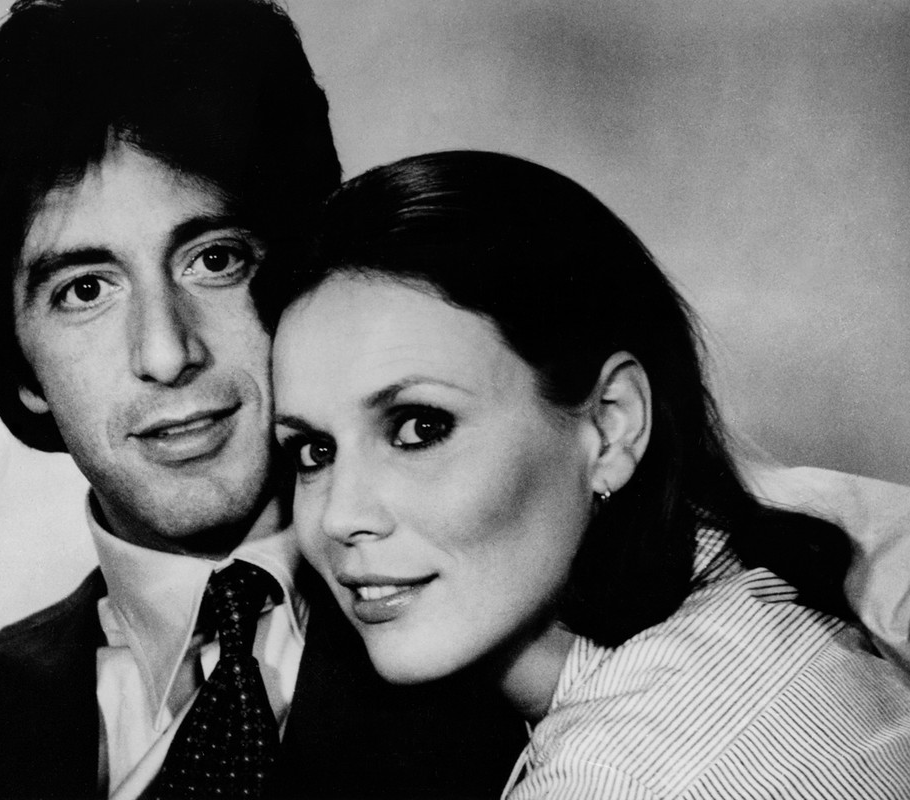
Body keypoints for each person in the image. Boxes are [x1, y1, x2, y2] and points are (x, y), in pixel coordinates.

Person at [0, 4, 527, 798]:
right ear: (23, 374)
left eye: (215, 260)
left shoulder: (532, 634)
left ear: (305, 280)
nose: (167, 352)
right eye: (85, 290)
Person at [263, 150, 910, 799]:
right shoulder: (760, 593)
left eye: (419, 428)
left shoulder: (614, 777)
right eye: (313, 452)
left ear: (610, 424)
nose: (341, 516)